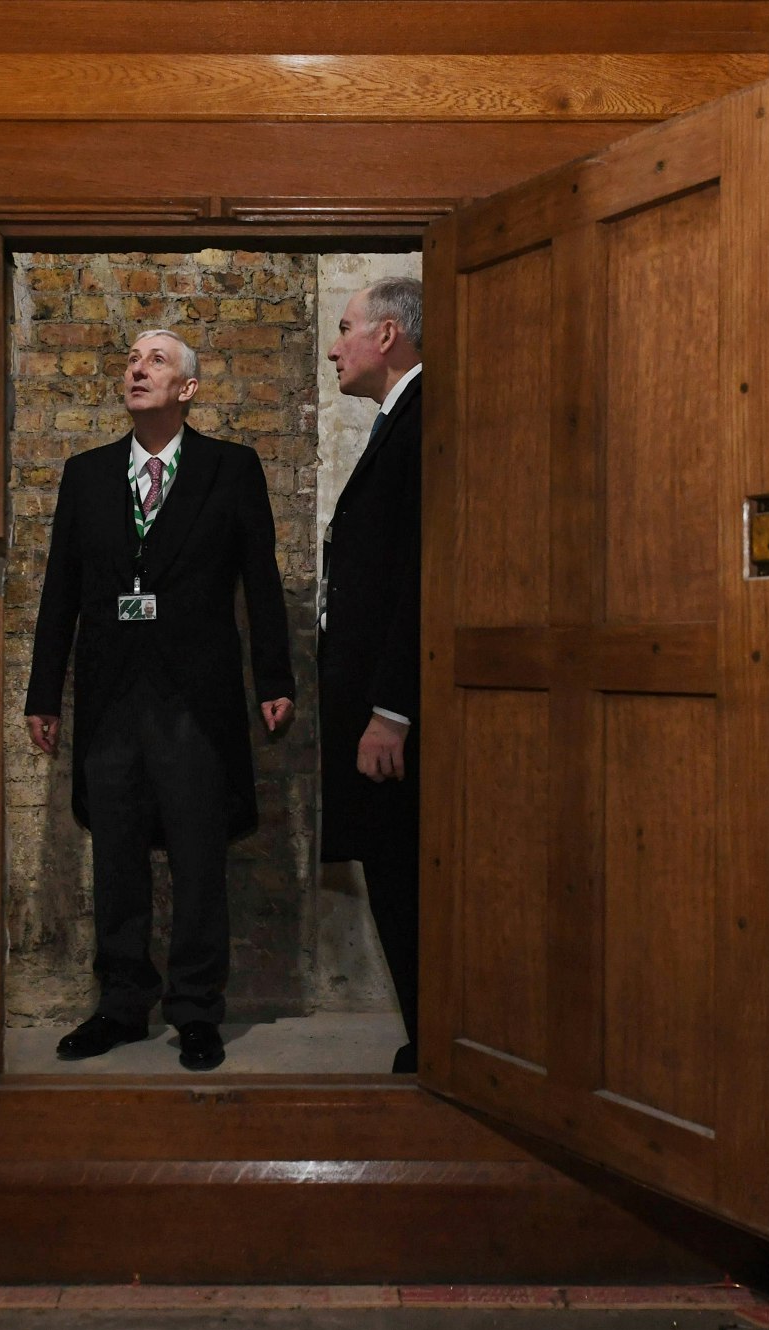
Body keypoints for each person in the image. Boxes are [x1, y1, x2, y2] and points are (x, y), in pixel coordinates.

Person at [25, 329, 295, 1072]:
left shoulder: (231, 470)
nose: (136, 369)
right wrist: (44, 691)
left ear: (187, 389)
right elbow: (61, 593)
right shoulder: (85, 475)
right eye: (131, 360)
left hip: (196, 697)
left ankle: (197, 1008)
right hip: (112, 696)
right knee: (115, 854)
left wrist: (274, 678)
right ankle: (120, 1003)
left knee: (199, 855)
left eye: (156, 361)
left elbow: (261, 583)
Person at [320, 277, 424, 1074]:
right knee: (388, 868)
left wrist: (390, 710)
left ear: (387, 335)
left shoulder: (424, 420)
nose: (334, 345)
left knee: (402, 870)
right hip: (371, 699)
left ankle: (435, 1042)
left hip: (393, 711)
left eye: (347, 328)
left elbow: (419, 575)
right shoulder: (400, 419)